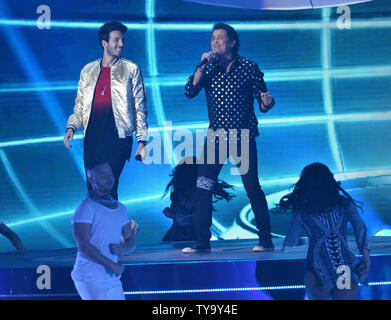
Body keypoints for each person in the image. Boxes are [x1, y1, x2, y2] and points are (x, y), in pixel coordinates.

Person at [182, 23, 275, 253]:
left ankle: (265, 240)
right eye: (212, 38)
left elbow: (263, 102)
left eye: (220, 38)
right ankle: (202, 243)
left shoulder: (249, 67)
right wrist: (201, 67)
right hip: (216, 136)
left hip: (242, 135)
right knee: (203, 187)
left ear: (233, 42)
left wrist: (267, 103)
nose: (215, 42)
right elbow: (189, 92)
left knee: (252, 186)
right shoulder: (208, 68)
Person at [64, 21, 148, 200]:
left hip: (118, 140)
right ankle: (97, 227)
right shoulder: (88, 70)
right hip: (93, 140)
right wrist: (71, 127)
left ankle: (113, 225)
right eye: (116, 40)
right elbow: (80, 105)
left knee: (109, 188)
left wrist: (142, 141)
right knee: (93, 190)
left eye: (122, 40)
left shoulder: (131, 70)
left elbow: (139, 107)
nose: (121, 44)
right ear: (104, 43)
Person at [275, 162, 370, 300]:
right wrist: (366, 257)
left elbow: (291, 239)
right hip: (343, 268)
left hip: (315, 270)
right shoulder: (344, 204)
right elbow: (360, 228)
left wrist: (290, 244)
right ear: (330, 181)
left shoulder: (302, 210)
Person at [71, 160, 139, 300]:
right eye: (103, 175)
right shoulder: (86, 208)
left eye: (110, 174)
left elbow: (130, 239)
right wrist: (111, 265)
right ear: (91, 179)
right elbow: (83, 246)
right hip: (89, 276)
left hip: (111, 277)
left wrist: (123, 249)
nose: (109, 178)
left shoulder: (120, 208)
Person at [162, 157, 235, 242]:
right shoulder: (179, 193)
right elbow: (175, 212)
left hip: (194, 231)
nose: (186, 177)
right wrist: (170, 213)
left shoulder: (200, 191)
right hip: (180, 231)